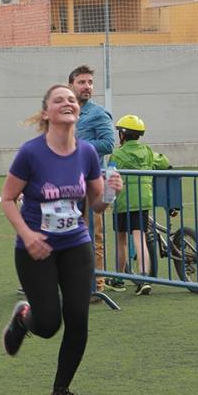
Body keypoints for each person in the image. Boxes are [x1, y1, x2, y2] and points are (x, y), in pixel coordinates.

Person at [0, 84, 122, 395]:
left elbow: (97, 205)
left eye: (71, 99)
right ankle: (25, 319)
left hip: (75, 245)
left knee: (78, 318)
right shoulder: (31, 153)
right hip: (35, 248)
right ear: (46, 113)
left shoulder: (86, 154)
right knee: (50, 323)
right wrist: (27, 235)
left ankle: (60, 392)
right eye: (59, 99)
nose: (68, 102)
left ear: (77, 111)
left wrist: (111, 193)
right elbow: (8, 198)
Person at [109, 114, 170, 296]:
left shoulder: (117, 154)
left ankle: (118, 279)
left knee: (121, 240)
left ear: (123, 134)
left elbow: (110, 176)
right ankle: (144, 278)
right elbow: (164, 162)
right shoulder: (148, 152)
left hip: (123, 201)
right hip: (144, 201)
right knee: (140, 237)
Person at [68, 65, 114, 298]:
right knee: (65, 232)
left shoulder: (98, 113)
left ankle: (97, 285)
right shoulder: (65, 111)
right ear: (71, 85)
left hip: (91, 184)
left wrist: (77, 147)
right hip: (65, 183)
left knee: (92, 234)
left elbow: (108, 144)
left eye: (90, 83)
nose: (87, 87)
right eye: (82, 82)